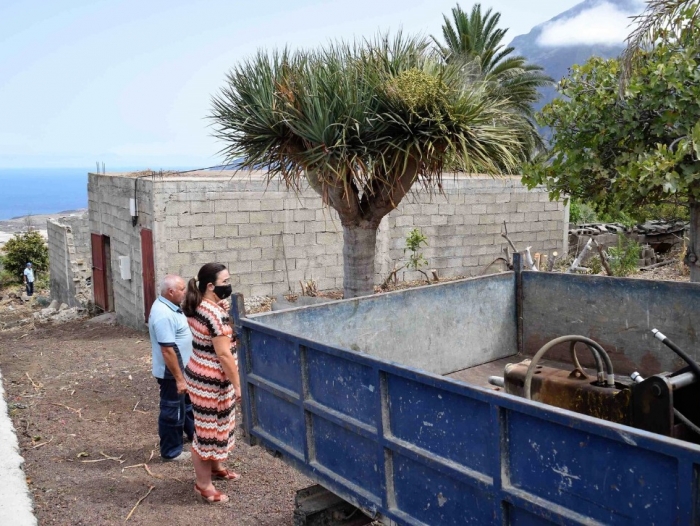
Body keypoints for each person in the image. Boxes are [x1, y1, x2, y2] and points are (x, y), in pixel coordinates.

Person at [182, 262, 241, 504]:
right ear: (210, 285)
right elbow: (224, 355)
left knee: (218, 426)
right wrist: (238, 385)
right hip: (211, 383)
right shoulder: (214, 315)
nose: (228, 285)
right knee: (206, 433)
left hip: (199, 373)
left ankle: (215, 466)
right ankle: (203, 485)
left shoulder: (197, 304)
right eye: (225, 282)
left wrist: (219, 306)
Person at [148, 274, 195, 461]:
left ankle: (195, 435)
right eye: (182, 289)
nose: (185, 293)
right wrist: (179, 379)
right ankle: (171, 451)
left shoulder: (171, 307)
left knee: (187, 406)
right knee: (173, 410)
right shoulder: (163, 314)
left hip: (182, 371)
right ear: (171, 291)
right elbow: (167, 350)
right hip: (172, 374)